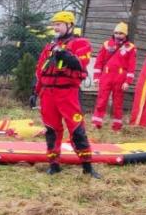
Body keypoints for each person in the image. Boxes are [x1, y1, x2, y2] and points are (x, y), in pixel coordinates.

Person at [34, 10, 99, 178]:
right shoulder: (49, 46)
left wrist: (66, 55)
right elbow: (40, 70)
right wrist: (36, 92)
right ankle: (54, 164)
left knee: (76, 129)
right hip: (48, 93)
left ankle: (87, 166)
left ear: (69, 25)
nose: (55, 28)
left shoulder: (80, 43)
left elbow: (80, 64)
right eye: (54, 24)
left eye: (59, 24)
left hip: (67, 93)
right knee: (51, 129)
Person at [92, 22, 137, 131]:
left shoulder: (130, 47)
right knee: (101, 100)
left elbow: (132, 66)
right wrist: (96, 77)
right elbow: (99, 62)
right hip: (106, 76)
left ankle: (117, 125)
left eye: (121, 33)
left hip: (120, 78)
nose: (118, 35)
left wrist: (128, 81)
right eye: (116, 33)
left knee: (118, 102)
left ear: (125, 35)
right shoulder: (107, 44)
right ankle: (97, 122)